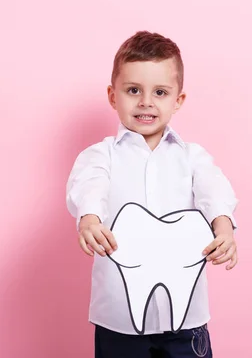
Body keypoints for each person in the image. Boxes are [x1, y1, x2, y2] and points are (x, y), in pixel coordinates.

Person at [66, 30, 239, 358]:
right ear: (113, 95)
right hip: (119, 319)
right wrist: (89, 217)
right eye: (133, 90)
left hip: (186, 317)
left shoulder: (192, 156)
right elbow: (89, 184)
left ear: (178, 100)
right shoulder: (101, 155)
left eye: (160, 92)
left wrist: (224, 226)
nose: (146, 102)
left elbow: (213, 189)